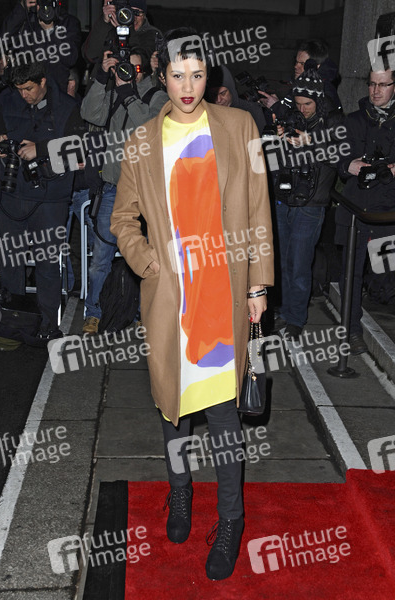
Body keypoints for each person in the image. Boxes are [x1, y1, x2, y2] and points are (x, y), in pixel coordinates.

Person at [110, 28, 274, 580]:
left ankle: (231, 520)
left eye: (198, 75)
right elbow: (122, 218)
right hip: (170, 299)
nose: (188, 86)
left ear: (210, 75)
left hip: (223, 294)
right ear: (162, 76)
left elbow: (258, 209)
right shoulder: (141, 140)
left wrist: (258, 287)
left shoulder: (239, 126)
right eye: (178, 75)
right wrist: (147, 261)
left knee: (225, 417)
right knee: (173, 409)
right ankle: (179, 492)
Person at [0, 60, 85, 341]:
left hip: (50, 199)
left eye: (29, 89)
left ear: (43, 81)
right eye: (19, 89)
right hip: (11, 194)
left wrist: (41, 149)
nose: (24, 95)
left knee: (47, 264)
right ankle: (12, 322)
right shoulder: (6, 101)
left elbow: (79, 152)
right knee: (10, 261)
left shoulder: (67, 107)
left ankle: (48, 325)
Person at [81, 46, 168, 334]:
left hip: (147, 191)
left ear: (145, 70)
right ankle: (93, 313)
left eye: (135, 68)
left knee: (148, 256)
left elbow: (150, 128)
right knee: (100, 258)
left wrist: (129, 94)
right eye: (124, 66)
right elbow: (89, 113)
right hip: (113, 188)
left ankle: (145, 314)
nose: (129, 72)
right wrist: (100, 76)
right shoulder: (113, 91)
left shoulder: (157, 96)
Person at [272, 60, 343, 338]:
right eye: (298, 104)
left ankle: (295, 319)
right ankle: (284, 310)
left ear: (319, 100)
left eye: (308, 104)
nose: (302, 110)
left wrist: (310, 143)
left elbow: (340, 158)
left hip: (312, 204)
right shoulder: (290, 117)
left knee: (299, 264)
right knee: (281, 262)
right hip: (284, 198)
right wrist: (278, 140)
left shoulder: (333, 121)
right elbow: (273, 160)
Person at [335, 67, 395, 354]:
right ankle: (352, 332)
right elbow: (336, 160)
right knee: (351, 274)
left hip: (387, 213)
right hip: (356, 210)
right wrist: (349, 165)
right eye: (372, 84)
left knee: (385, 276)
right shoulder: (353, 121)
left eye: (383, 85)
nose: (375, 91)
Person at [0, 0, 81, 93]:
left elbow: (70, 59)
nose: (44, 9)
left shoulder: (68, 23)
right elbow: (1, 39)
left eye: (48, 4)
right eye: (41, 4)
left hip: (53, 90)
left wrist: (51, 32)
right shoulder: (27, 20)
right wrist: (22, 8)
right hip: (24, 89)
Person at [82, 0, 161, 91]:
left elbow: (142, 60)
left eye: (137, 13)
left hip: (134, 93)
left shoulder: (152, 34)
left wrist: (126, 30)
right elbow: (90, 55)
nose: (133, 18)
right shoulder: (109, 31)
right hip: (102, 93)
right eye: (128, 12)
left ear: (144, 15)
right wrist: (104, 22)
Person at [259, 38, 342, 115]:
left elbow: (306, 120)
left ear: (317, 66)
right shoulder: (301, 84)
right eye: (296, 62)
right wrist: (277, 103)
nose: (296, 66)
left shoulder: (323, 90)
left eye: (302, 64)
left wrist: (276, 106)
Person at [206, 64, 266, 136]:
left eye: (223, 93)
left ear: (231, 91)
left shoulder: (252, 111)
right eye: (213, 95)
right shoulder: (205, 112)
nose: (218, 100)